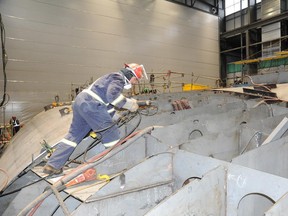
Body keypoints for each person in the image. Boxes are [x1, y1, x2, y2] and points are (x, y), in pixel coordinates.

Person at [43, 63, 148, 174]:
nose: (135, 83)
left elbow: (106, 104)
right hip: (92, 104)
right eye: (136, 80)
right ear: (130, 75)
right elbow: (112, 97)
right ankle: (117, 167)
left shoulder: (109, 77)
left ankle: (53, 165)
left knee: (73, 136)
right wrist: (131, 104)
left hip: (81, 102)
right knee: (112, 135)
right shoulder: (118, 79)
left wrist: (117, 116)